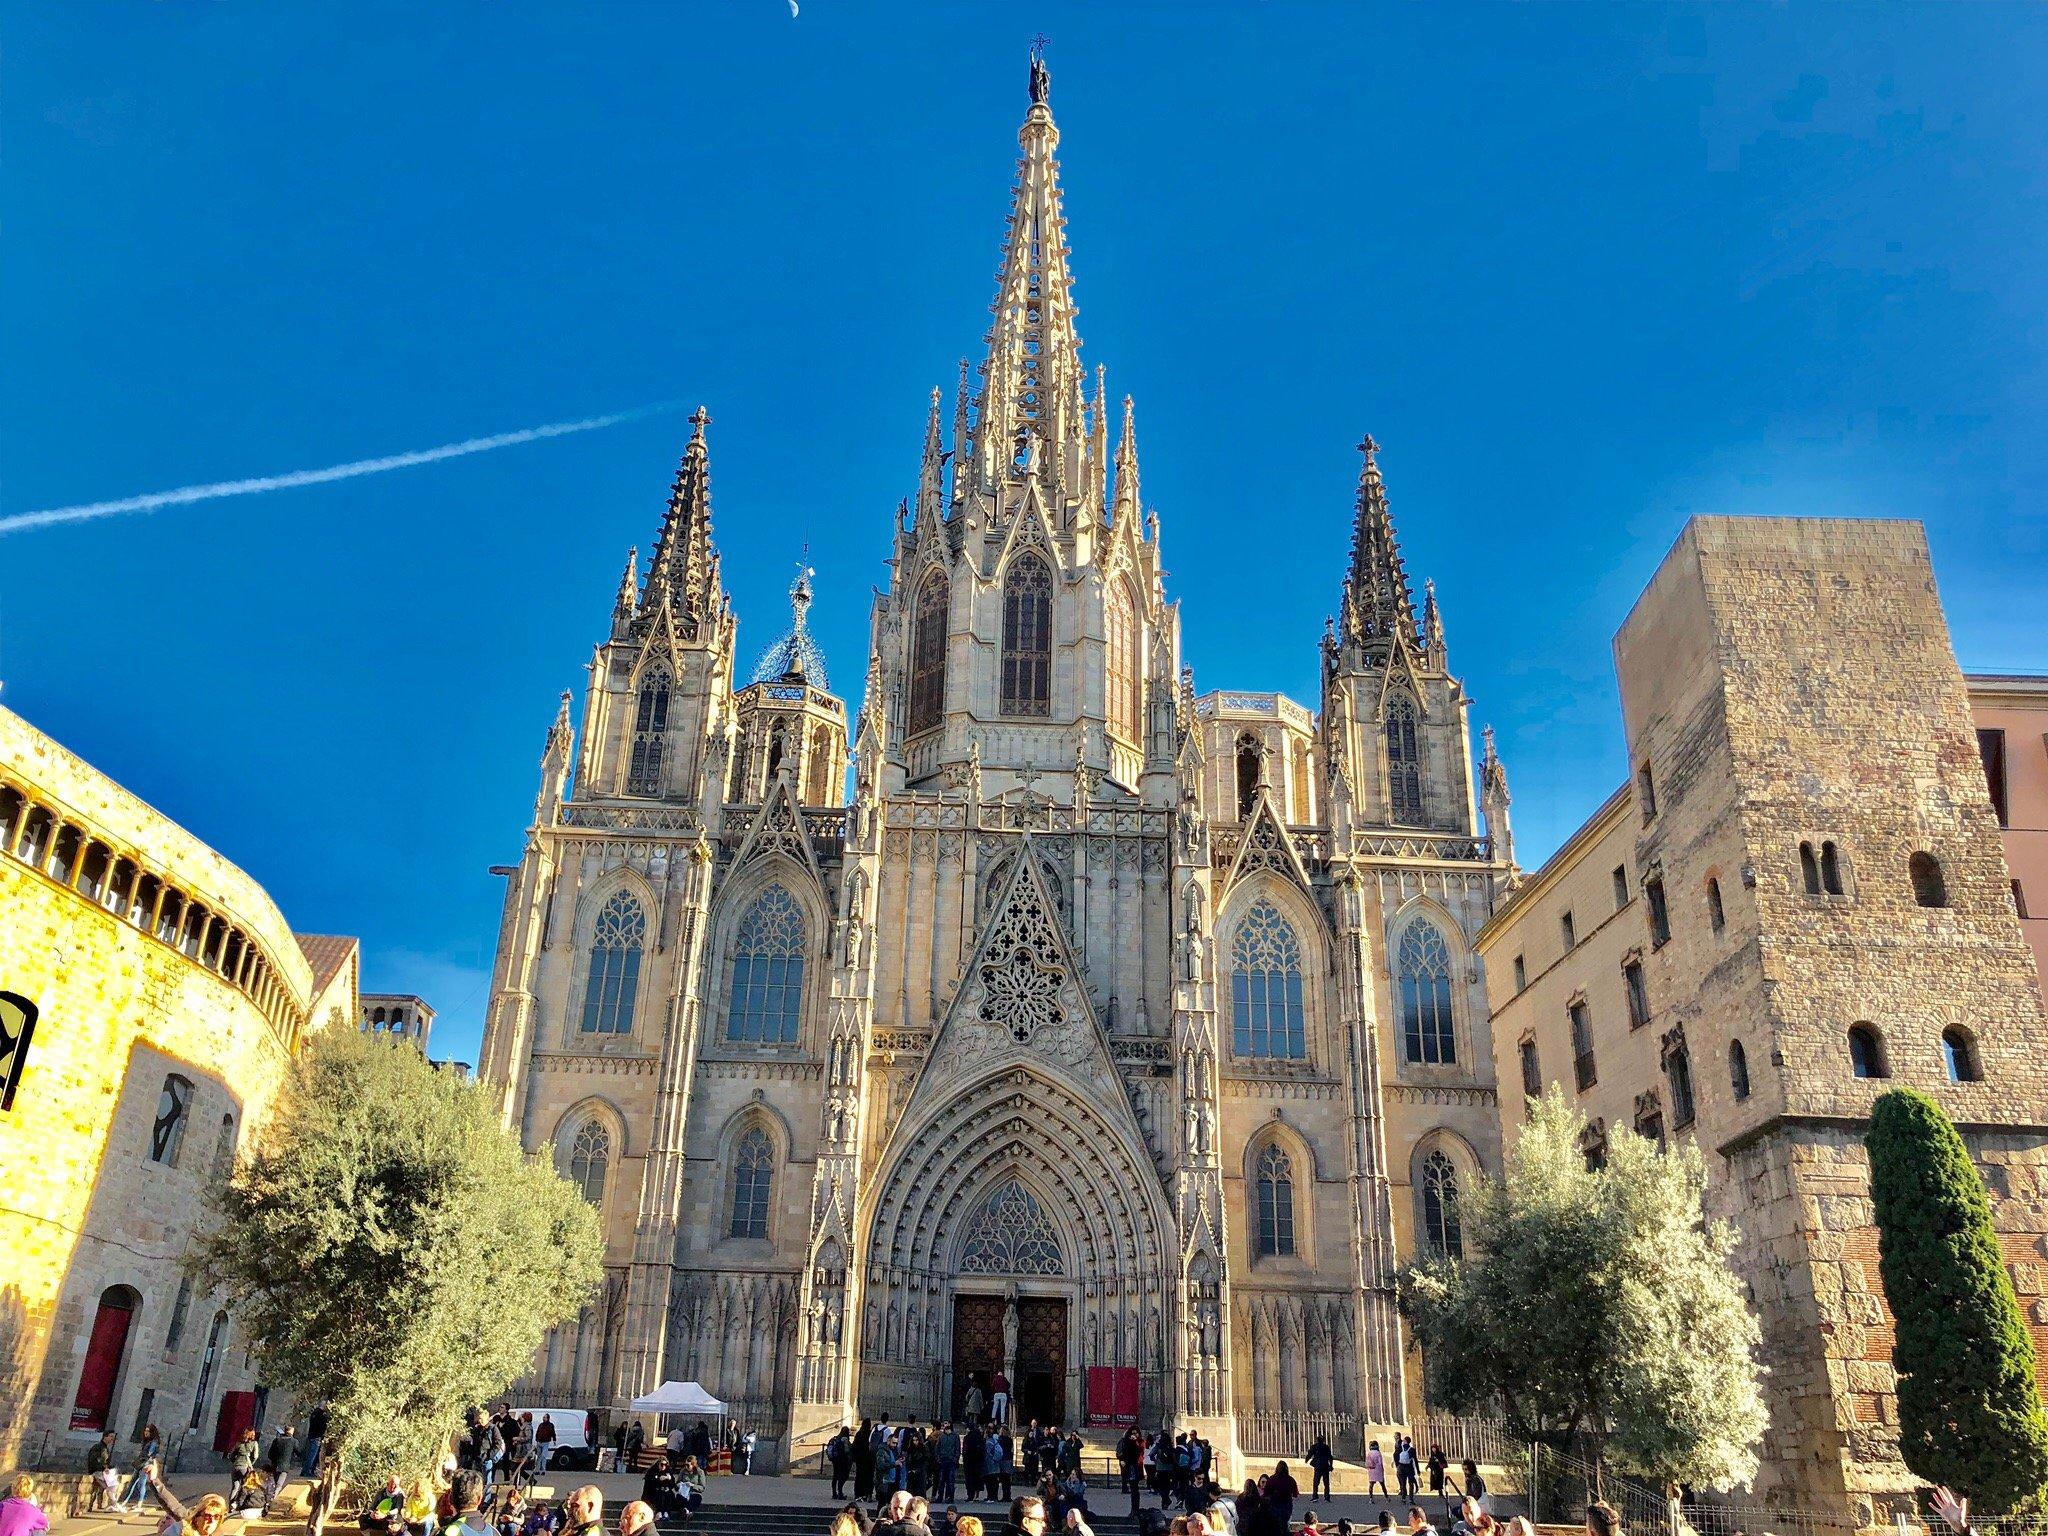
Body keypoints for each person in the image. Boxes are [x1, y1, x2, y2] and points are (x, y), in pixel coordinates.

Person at [143, 1465, 229, 1536]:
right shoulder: (183, 1528)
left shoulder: (216, 1533)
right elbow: (172, 1505)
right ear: (196, 1517)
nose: (212, 1521)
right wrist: (154, 1480)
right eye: (207, 1516)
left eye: (217, 1516)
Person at [111, 1426, 164, 1514]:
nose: (146, 1433)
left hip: (146, 1464)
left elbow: (149, 1454)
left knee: (141, 1484)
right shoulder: (147, 1441)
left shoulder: (153, 1442)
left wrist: (147, 1459)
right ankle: (124, 1502)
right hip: (140, 1464)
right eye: (145, 1431)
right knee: (132, 1482)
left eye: (148, 1431)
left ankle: (139, 1503)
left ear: (152, 1432)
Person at [85, 1431, 120, 1512]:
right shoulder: (98, 1447)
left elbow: (104, 1461)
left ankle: (112, 1504)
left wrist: (109, 1468)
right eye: (111, 1436)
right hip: (97, 1471)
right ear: (105, 1437)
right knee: (110, 1486)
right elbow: (95, 1460)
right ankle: (113, 1504)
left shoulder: (105, 1448)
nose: (112, 1439)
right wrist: (104, 1468)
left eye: (113, 1437)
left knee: (113, 1485)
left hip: (101, 1471)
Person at [1263, 1464, 1298, 1534]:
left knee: (1275, 1526)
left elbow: (1266, 1493)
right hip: (1287, 1506)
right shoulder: (1291, 1480)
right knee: (1285, 1526)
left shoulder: (1272, 1479)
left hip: (1275, 1505)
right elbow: (1295, 1494)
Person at [936, 1423, 961, 1503]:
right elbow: (938, 1448)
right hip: (943, 1460)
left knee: (950, 1480)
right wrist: (938, 1458)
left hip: (951, 1461)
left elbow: (957, 1448)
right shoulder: (942, 1436)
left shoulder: (955, 1436)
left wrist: (955, 1459)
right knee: (941, 1480)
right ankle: (940, 1496)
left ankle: (950, 1497)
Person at [305, 1403, 331, 1477]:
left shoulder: (314, 1413)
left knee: (310, 1454)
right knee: (312, 1455)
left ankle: (306, 1470)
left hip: (311, 1435)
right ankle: (308, 1471)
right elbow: (322, 1426)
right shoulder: (321, 1415)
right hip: (317, 1436)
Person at [1309, 1436, 1338, 1503]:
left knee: (1316, 1483)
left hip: (1318, 1466)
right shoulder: (1326, 1447)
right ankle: (1327, 1497)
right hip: (1325, 1466)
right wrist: (1331, 1465)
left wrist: (1307, 1460)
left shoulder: (1315, 1446)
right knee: (1326, 1483)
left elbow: (1310, 1454)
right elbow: (1330, 1457)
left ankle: (1315, 1496)